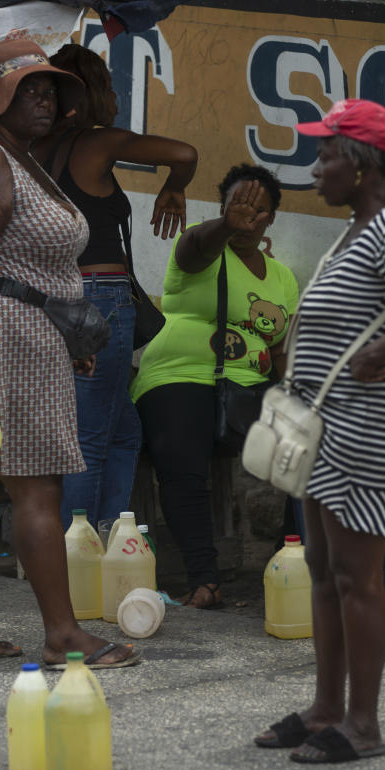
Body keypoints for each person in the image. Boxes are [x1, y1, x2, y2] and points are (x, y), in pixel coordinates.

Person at [253, 99, 385, 763]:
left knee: (356, 579)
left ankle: (363, 726)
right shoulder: (358, 229)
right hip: (328, 427)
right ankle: (325, 710)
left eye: (325, 156)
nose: (315, 169)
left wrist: (384, 351)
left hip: (368, 429)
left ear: (362, 163)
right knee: (322, 570)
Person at [0, 38, 139, 668]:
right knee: (37, 487)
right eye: (30, 91)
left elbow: (39, 267)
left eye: (50, 91)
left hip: (28, 331)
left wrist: (73, 339)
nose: (45, 101)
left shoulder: (24, 160)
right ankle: (63, 634)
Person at [33, 43, 198, 531]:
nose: (115, 97)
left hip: (58, 295)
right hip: (102, 296)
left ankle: (107, 538)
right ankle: (77, 550)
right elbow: (185, 154)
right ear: (85, 95)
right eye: (107, 86)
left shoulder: (35, 150)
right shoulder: (98, 142)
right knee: (92, 436)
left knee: (123, 429)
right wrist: (175, 186)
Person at [129, 164, 299, 609]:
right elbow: (193, 246)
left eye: (259, 209)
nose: (249, 216)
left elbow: (281, 346)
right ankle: (205, 580)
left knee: (312, 449)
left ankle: (296, 563)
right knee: (183, 463)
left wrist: (298, 394)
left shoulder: (282, 277)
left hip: (249, 388)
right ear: (221, 208)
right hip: (180, 374)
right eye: (238, 206)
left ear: (272, 218)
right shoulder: (202, 246)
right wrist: (224, 226)